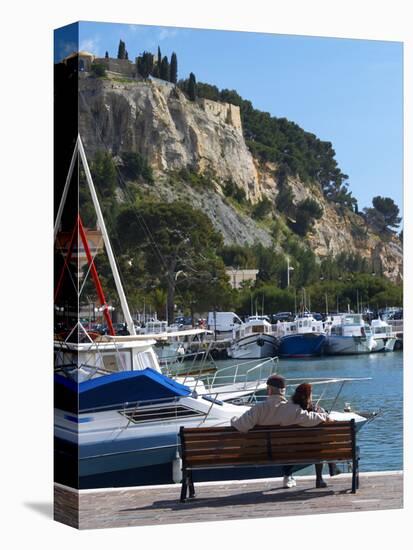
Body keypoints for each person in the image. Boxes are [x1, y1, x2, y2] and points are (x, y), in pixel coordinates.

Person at [231, 375, 329, 488]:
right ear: (283, 391)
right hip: (289, 453)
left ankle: (288, 475)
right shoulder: (293, 409)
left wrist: (233, 420)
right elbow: (312, 419)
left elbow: (241, 426)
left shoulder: (258, 409)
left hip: (263, 453)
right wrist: (324, 415)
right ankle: (292, 475)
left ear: (269, 390)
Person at [291, 383, 341, 488]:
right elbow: (328, 420)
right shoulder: (314, 412)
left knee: (318, 442)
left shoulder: (291, 410)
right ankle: (325, 472)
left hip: (294, 450)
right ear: (308, 395)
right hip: (315, 449)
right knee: (320, 443)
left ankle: (331, 465)